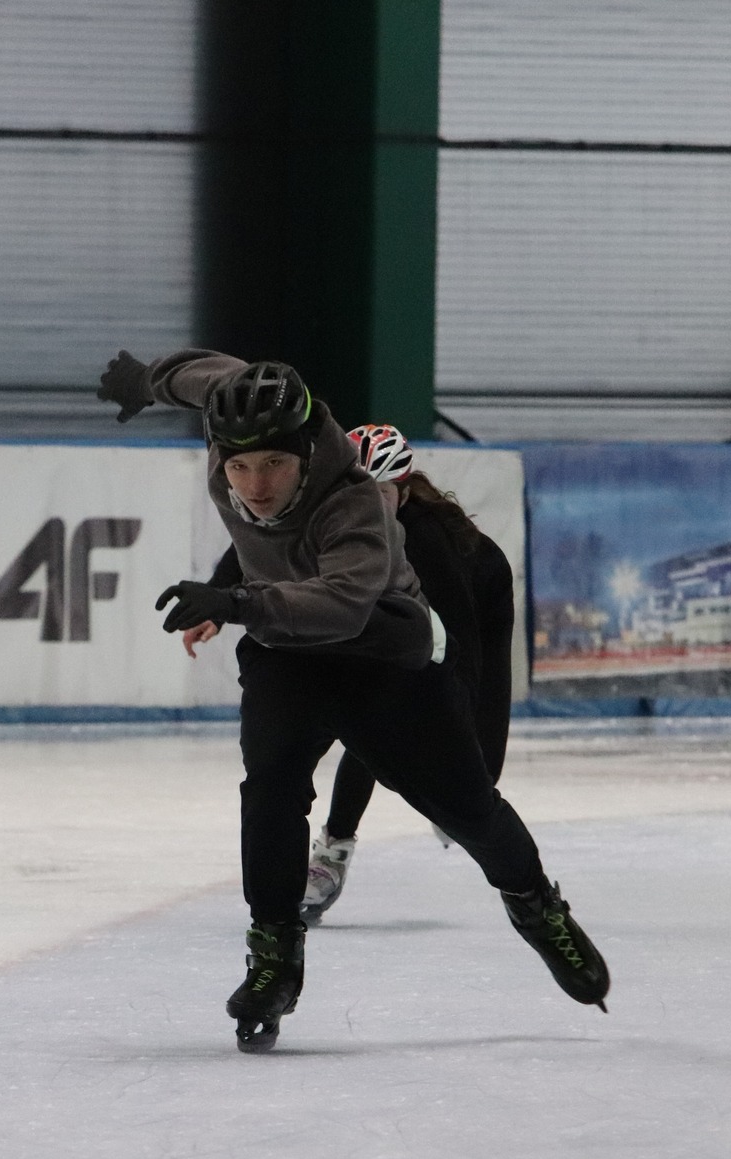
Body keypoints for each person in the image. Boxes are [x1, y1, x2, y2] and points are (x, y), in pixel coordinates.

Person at [97, 347, 609, 1052]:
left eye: (274, 465)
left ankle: (536, 905)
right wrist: (146, 380)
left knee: (468, 809)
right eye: (239, 468)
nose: (255, 486)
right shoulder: (234, 420)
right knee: (270, 787)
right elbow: (201, 375)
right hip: (285, 653)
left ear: (308, 450)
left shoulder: (352, 500)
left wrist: (236, 601)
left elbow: (341, 603)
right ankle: (275, 955)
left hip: (382, 652)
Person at [186, 424, 516, 925]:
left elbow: (461, 654)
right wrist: (216, 599)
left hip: (473, 609)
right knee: (368, 718)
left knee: (478, 777)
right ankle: (334, 848)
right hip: (384, 629)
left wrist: (452, 741)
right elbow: (250, 545)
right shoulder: (330, 516)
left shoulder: (434, 542)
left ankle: (517, 876)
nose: (367, 509)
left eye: (379, 497)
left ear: (404, 493)